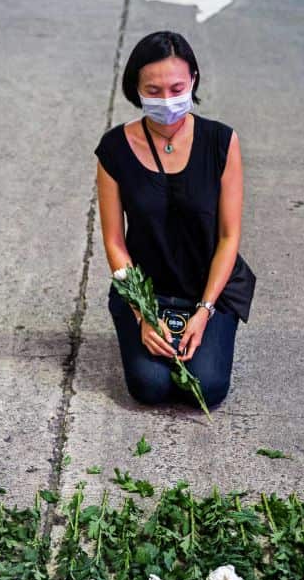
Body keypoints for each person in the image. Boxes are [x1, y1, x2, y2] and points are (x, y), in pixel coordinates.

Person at [93, 31, 254, 411]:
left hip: (208, 290)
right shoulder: (114, 149)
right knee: (150, 387)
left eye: (176, 87)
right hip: (148, 290)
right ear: (136, 89)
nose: (167, 100)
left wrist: (205, 311)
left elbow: (229, 237)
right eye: (154, 90)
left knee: (206, 387)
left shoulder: (221, 142)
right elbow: (114, 241)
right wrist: (143, 314)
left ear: (194, 79)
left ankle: (207, 325)